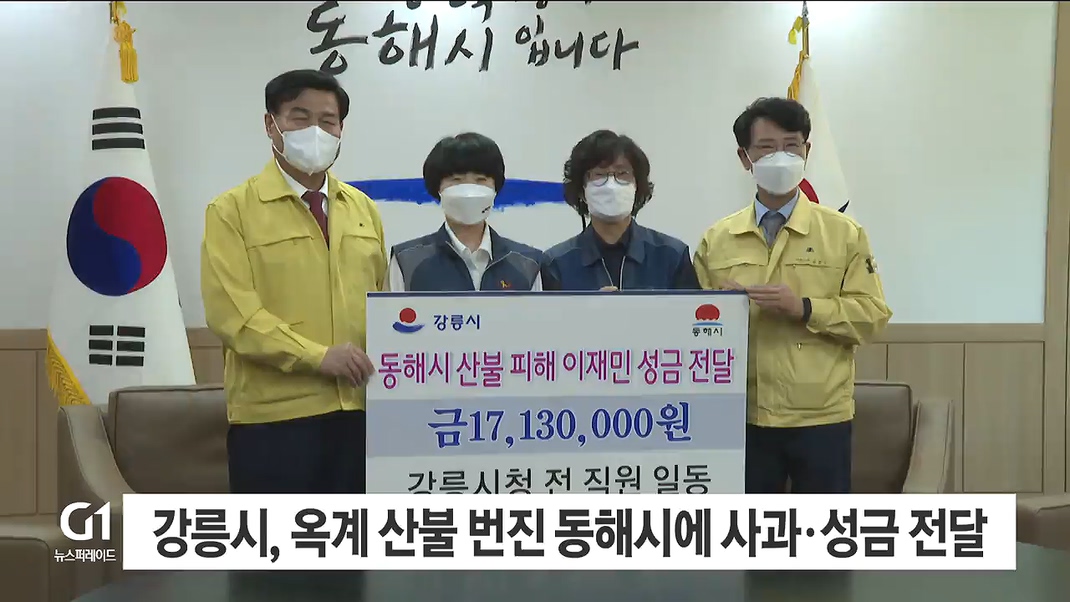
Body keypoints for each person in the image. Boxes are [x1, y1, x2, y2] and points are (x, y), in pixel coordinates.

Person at [200, 69, 386, 495]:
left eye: (328, 120)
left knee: (357, 538)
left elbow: (383, 305)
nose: (315, 131)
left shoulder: (364, 210)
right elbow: (233, 316)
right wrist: (317, 357)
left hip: (360, 413)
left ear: (341, 130)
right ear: (271, 124)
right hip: (273, 421)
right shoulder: (231, 211)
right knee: (277, 539)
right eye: (300, 118)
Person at [693, 97, 892, 494]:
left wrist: (803, 308)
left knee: (820, 531)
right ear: (745, 158)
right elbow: (692, 327)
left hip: (820, 417)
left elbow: (871, 316)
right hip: (741, 414)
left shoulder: (843, 233)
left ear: (807, 151)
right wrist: (720, 310)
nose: (780, 157)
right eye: (767, 148)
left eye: (791, 145)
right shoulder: (717, 239)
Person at [542, 130, 700, 290]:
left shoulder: (672, 255)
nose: (611, 185)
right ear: (582, 191)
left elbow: (690, 307)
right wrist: (591, 305)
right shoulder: (557, 263)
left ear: (637, 186)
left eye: (622, 173)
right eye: (599, 174)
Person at [387, 133, 545, 291]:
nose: (469, 192)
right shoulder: (407, 261)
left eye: (480, 180)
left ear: (495, 188)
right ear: (438, 188)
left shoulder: (527, 264)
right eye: (456, 180)